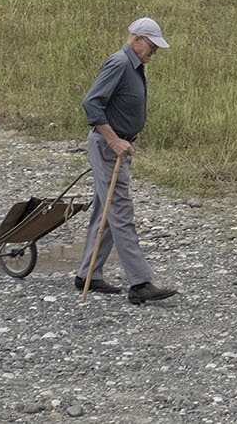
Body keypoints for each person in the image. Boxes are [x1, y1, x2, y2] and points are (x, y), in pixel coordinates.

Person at [73, 16, 178, 304]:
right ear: (136, 39)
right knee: (120, 210)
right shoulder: (119, 63)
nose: (154, 51)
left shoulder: (134, 65)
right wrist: (114, 139)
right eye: (151, 45)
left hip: (118, 147)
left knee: (104, 210)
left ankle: (88, 275)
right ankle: (140, 282)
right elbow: (91, 104)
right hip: (110, 147)